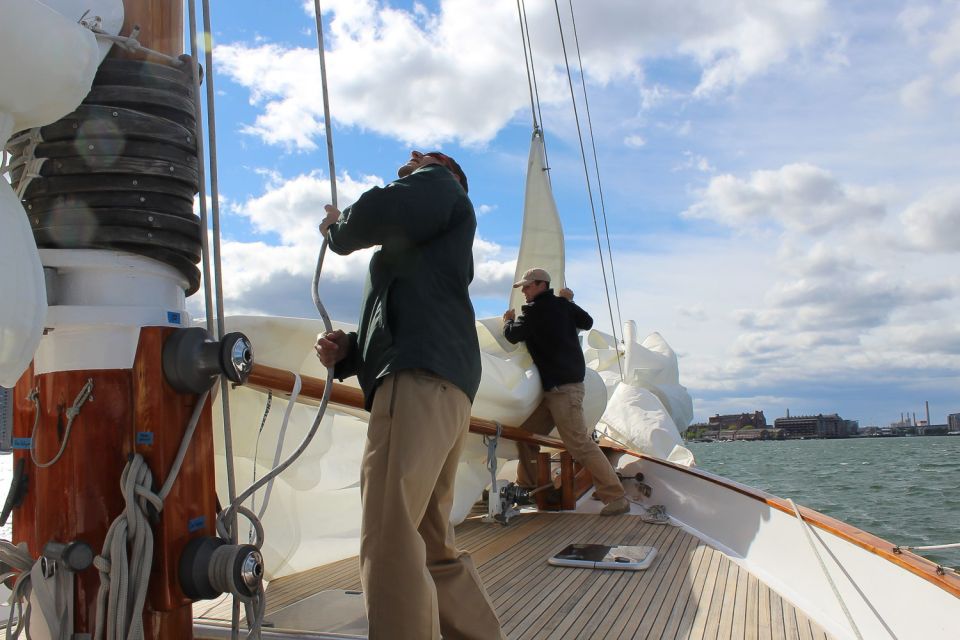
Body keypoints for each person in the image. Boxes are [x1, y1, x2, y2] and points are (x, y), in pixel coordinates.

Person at [314, 150, 504, 640]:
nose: (410, 161)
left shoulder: (440, 183)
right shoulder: (430, 244)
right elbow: (407, 312)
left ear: (443, 166)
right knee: (429, 538)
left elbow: (378, 211)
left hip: (418, 382)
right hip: (442, 385)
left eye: (420, 159)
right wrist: (352, 352)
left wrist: (338, 227)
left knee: (390, 532)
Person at [502, 267, 629, 516]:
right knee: (525, 437)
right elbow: (587, 322)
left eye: (527, 287)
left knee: (579, 444)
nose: (524, 292)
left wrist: (508, 319)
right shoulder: (563, 305)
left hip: (563, 391)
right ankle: (530, 489)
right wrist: (570, 301)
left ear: (541, 285)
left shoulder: (534, 312)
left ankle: (616, 497)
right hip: (556, 391)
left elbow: (513, 336)